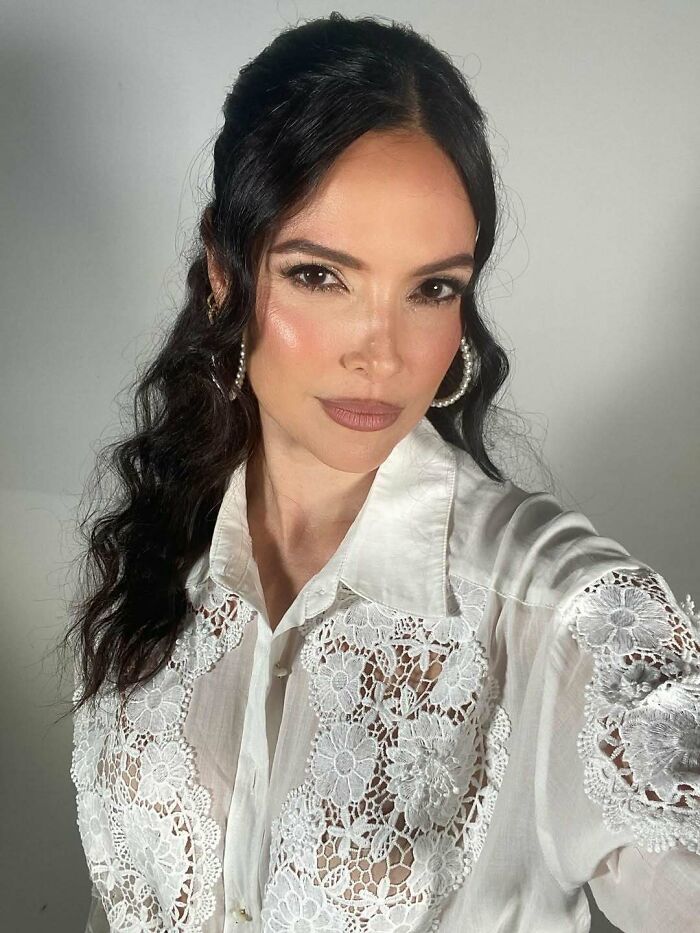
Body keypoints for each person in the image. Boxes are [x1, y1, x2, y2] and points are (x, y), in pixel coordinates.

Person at [63, 12, 700, 933]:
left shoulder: (562, 615)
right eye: (323, 276)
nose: (384, 353)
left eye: (431, 288)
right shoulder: (159, 542)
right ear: (222, 271)